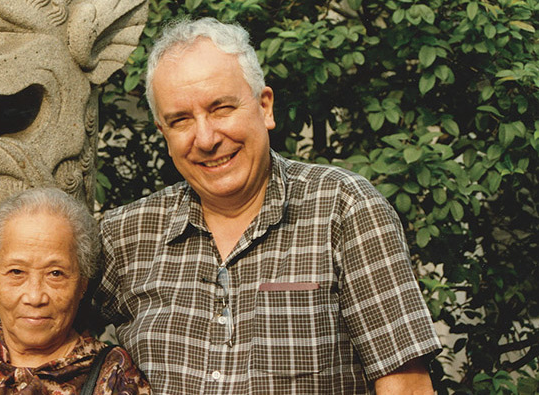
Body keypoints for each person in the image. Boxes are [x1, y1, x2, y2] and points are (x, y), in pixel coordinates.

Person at [93, 17, 441, 393]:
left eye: (221, 108)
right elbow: (38, 342)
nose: (206, 138)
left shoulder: (344, 208)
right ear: (164, 134)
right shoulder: (124, 235)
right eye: (181, 120)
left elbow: (406, 386)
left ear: (265, 107)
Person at [0, 188, 150, 394]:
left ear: (82, 284)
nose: (35, 297)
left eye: (55, 273)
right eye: (16, 272)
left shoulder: (115, 377)